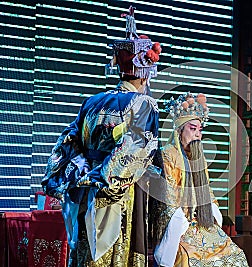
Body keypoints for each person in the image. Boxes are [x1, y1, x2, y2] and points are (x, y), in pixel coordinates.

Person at [41, 6, 162, 266]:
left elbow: (67, 144)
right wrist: (101, 181)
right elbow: (133, 151)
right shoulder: (144, 104)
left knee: (84, 254)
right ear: (145, 72)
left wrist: (83, 176)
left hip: (84, 191)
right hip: (114, 194)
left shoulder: (93, 101)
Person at [152, 92, 249, 267]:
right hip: (181, 224)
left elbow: (207, 190)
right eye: (192, 128)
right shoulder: (168, 155)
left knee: (236, 256)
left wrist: (211, 210)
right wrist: (181, 220)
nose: (198, 134)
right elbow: (168, 196)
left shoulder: (199, 157)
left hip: (202, 223)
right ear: (180, 130)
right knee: (193, 260)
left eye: (200, 129)